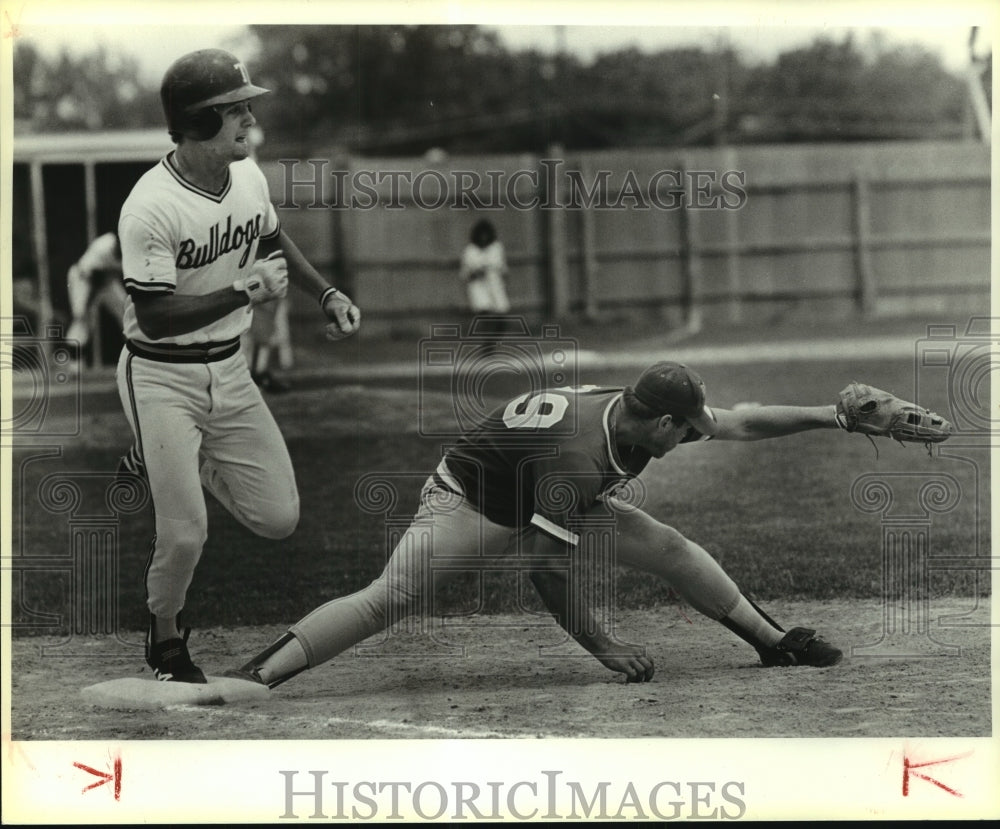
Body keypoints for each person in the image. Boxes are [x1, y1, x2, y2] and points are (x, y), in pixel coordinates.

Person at [228, 361, 858, 690]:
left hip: (539, 492)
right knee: (389, 598)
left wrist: (835, 416)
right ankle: (258, 678)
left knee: (670, 548)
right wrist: (605, 648)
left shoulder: (635, 407)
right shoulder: (579, 457)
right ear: (664, 424)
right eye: (690, 427)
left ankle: (775, 644)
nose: (698, 432)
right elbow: (544, 567)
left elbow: (742, 422)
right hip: (470, 503)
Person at [115, 49, 361, 684]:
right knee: (185, 534)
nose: (249, 117)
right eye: (234, 109)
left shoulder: (247, 176)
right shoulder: (150, 205)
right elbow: (158, 316)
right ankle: (164, 633)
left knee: (278, 518)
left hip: (230, 367)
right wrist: (243, 293)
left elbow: (271, 235)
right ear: (199, 123)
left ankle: (174, 454)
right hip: (160, 374)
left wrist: (326, 293)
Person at [65, 232, 127, 357]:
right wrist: (89, 305)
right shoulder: (104, 245)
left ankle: (137, 356)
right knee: (82, 317)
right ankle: (73, 362)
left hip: (107, 281)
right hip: (83, 280)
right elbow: (94, 278)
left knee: (127, 311)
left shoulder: (133, 248)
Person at [458, 219, 511, 348]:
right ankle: (488, 344)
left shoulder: (496, 248)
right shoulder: (470, 251)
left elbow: (503, 268)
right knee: (485, 313)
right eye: (481, 235)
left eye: (486, 235)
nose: (483, 238)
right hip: (478, 287)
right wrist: (475, 272)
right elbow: (465, 273)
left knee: (502, 315)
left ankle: (492, 341)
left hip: (494, 285)